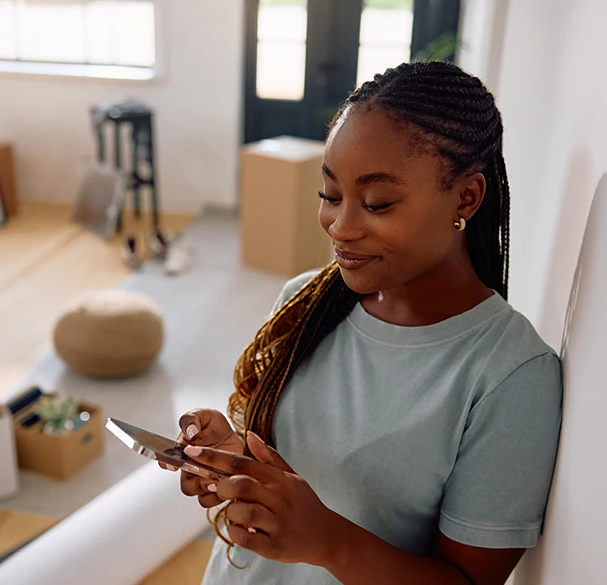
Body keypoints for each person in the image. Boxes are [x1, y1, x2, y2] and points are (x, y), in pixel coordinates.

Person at [166, 61, 563, 585]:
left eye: (377, 203)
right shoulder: (304, 301)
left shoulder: (511, 377)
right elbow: (295, 465)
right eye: (330, 195)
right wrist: (239, 459)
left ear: (465, 198)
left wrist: (328, 541)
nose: (340, 226)